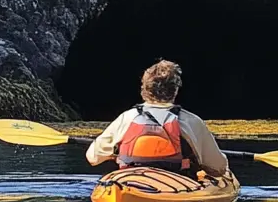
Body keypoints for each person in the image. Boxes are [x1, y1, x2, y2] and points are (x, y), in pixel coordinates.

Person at [85, 59, 230, 177]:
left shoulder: (127, 118)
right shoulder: (191, 121)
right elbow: (218, 168)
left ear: (144, 89)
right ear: (176, 90)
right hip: (176, 181)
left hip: (131, 181)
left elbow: (92, 157)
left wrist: (115, 152)